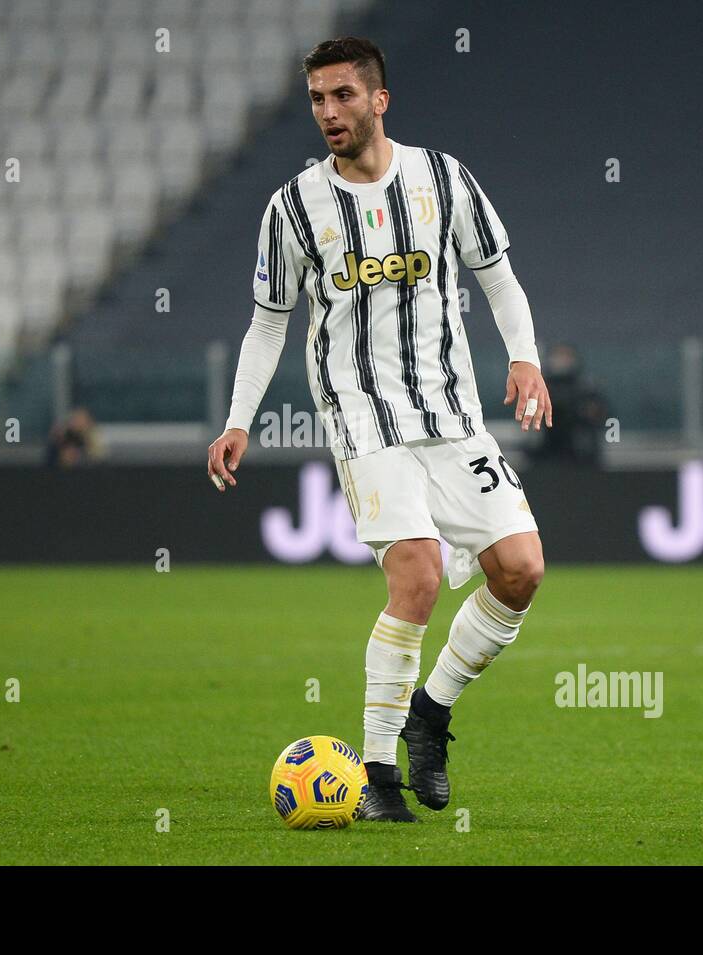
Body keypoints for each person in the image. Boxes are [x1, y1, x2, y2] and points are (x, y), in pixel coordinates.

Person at [207, 37, 552, 822]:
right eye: (318, 100)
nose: (329, 112)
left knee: (523, 569)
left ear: (379, 99)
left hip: (453, 415)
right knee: (420, 573)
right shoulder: (294, 207)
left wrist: (525, 360)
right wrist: (238, 421)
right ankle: (377, 779)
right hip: (362, 420)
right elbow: (268, 325)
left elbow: (498, 277)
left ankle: (431, 711)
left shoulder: (443, 178)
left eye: (342, 96)